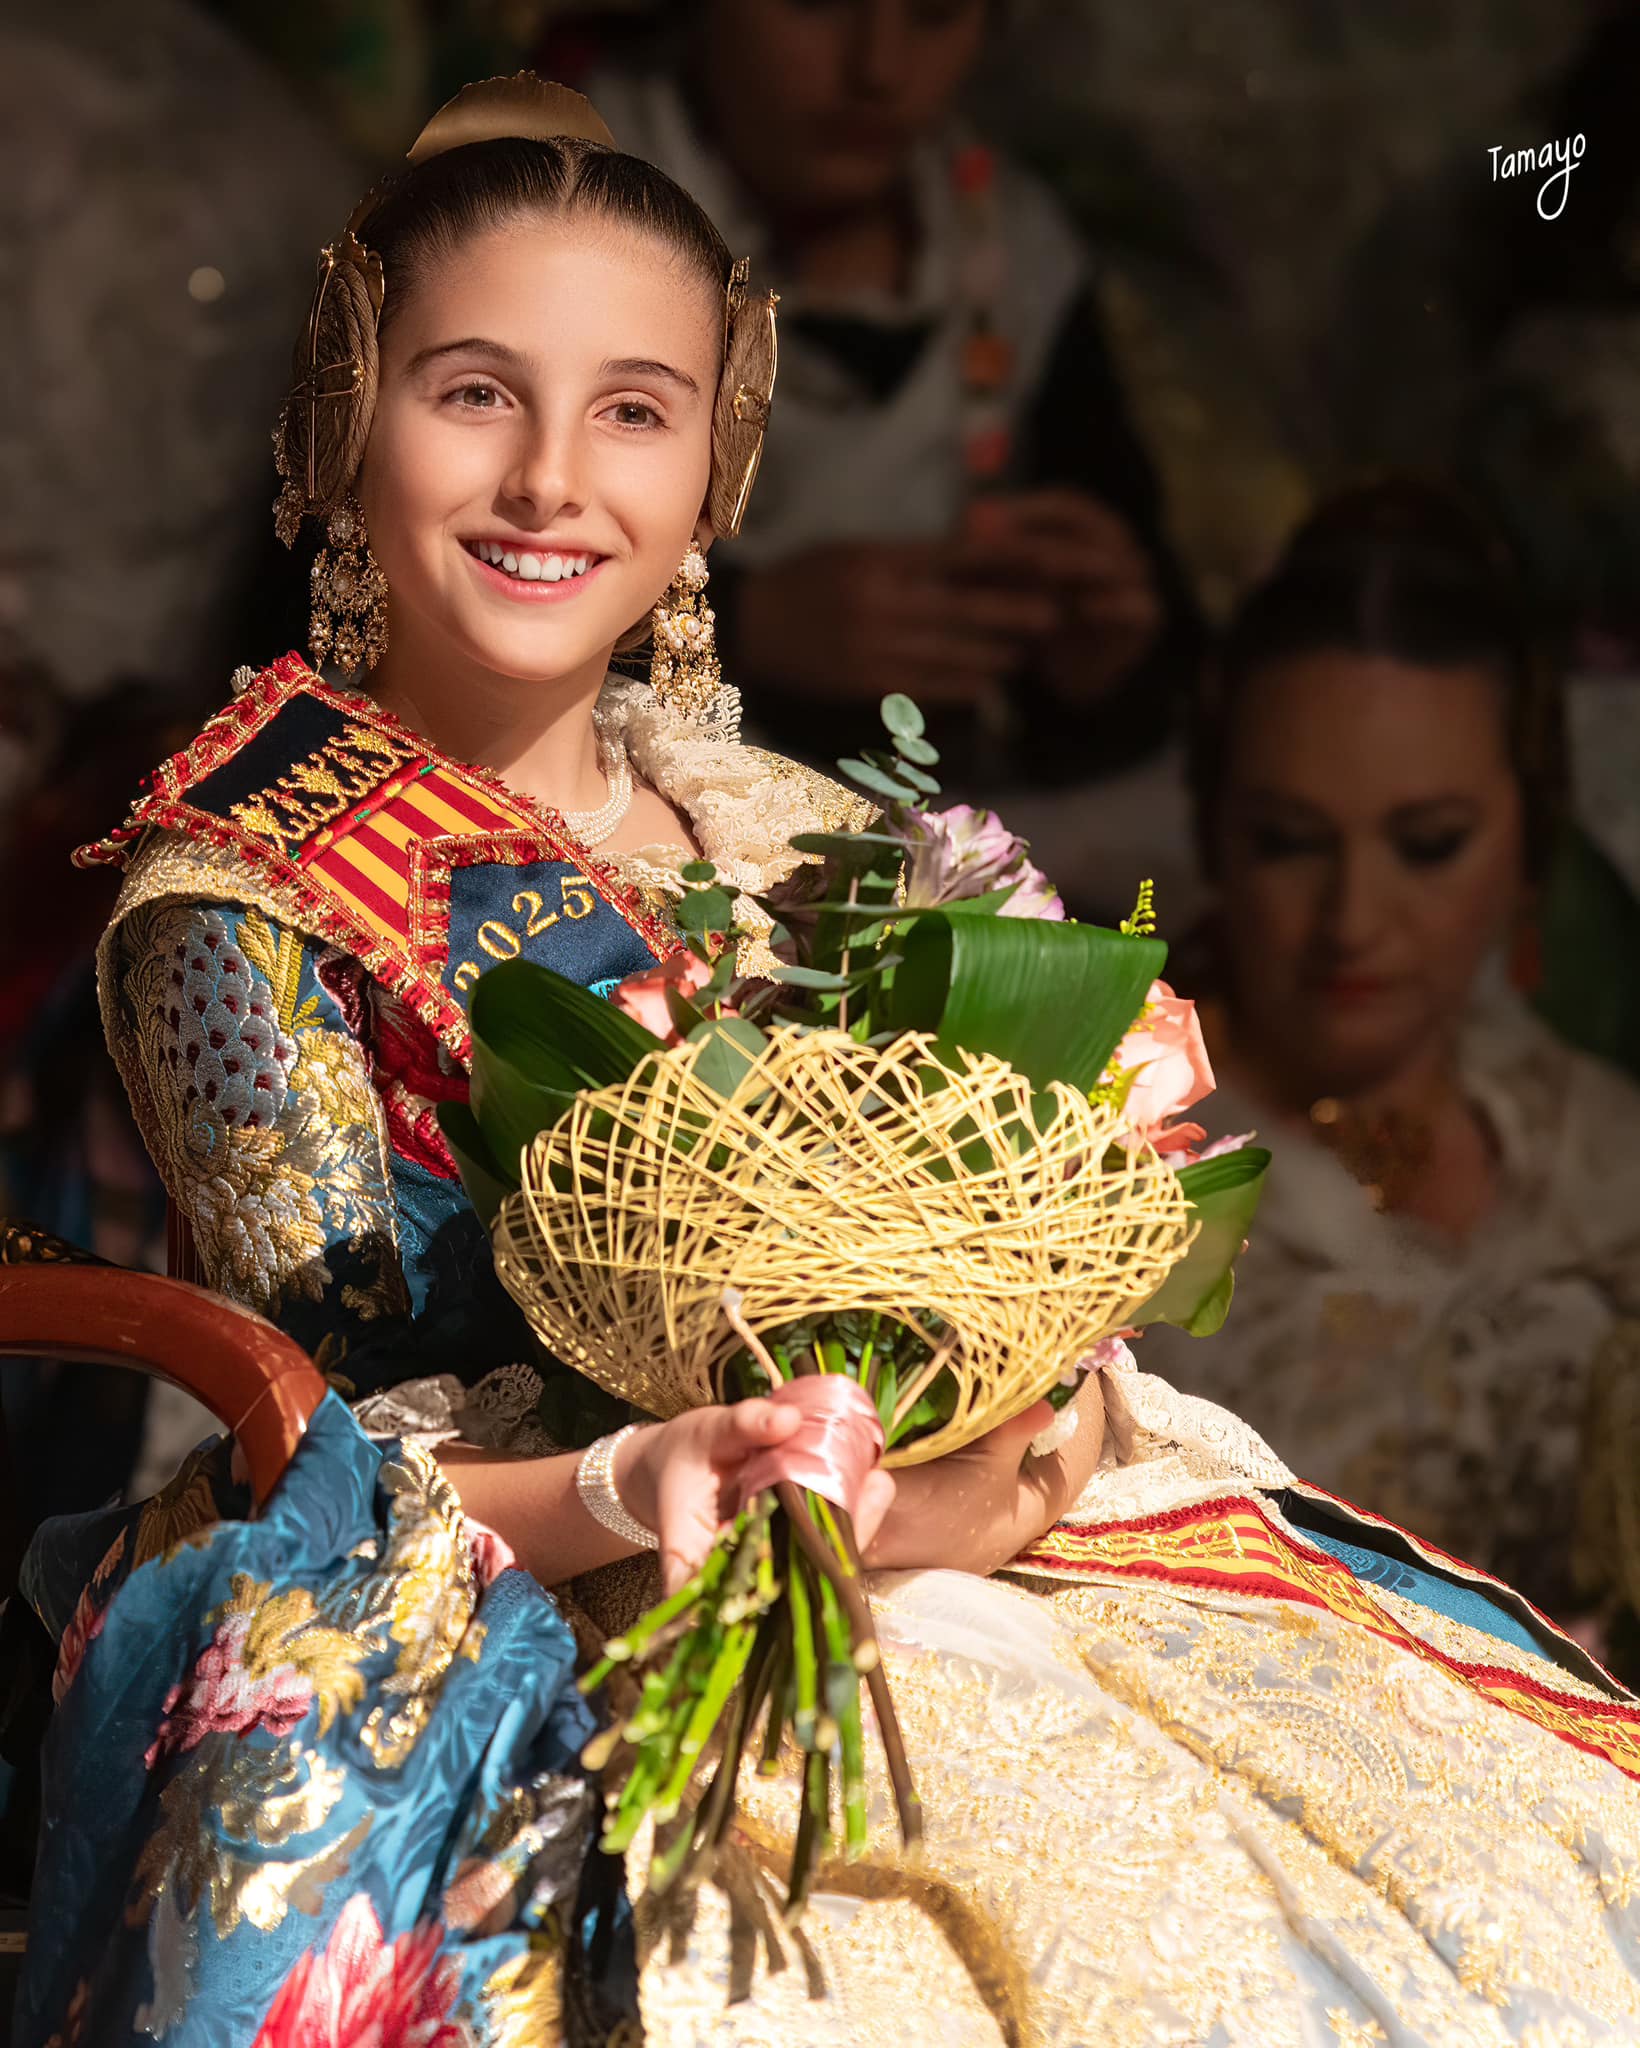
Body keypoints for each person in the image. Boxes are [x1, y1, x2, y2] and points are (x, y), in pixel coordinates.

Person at [16, 82, 1640, 2048]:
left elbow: (1000, 1260)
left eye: (633, 409)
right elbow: (338, 1462)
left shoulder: (793, 827)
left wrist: (1014, 1426)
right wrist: (649, 1471)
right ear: (347, 414)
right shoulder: (249, 902)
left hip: (953, 1520)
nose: (550, 478)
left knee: (1500, 1872)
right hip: (529, 1590)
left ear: (719, 461)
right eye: (473, 393)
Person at [1146, 479, 1640, 1644]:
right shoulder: (1111, 1155)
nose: (1352, 920)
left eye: (1427, 844)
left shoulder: (1600, 1150)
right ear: (1214, 832)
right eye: (1288, 842)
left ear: (1528, 844)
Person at [571, 0, 1203, 890]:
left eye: (935, 14)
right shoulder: (556, 202)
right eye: (820, 6)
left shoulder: (1010, 251)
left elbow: (1146, 658)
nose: (878, 69)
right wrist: (743, 625)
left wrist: (1094, 663)